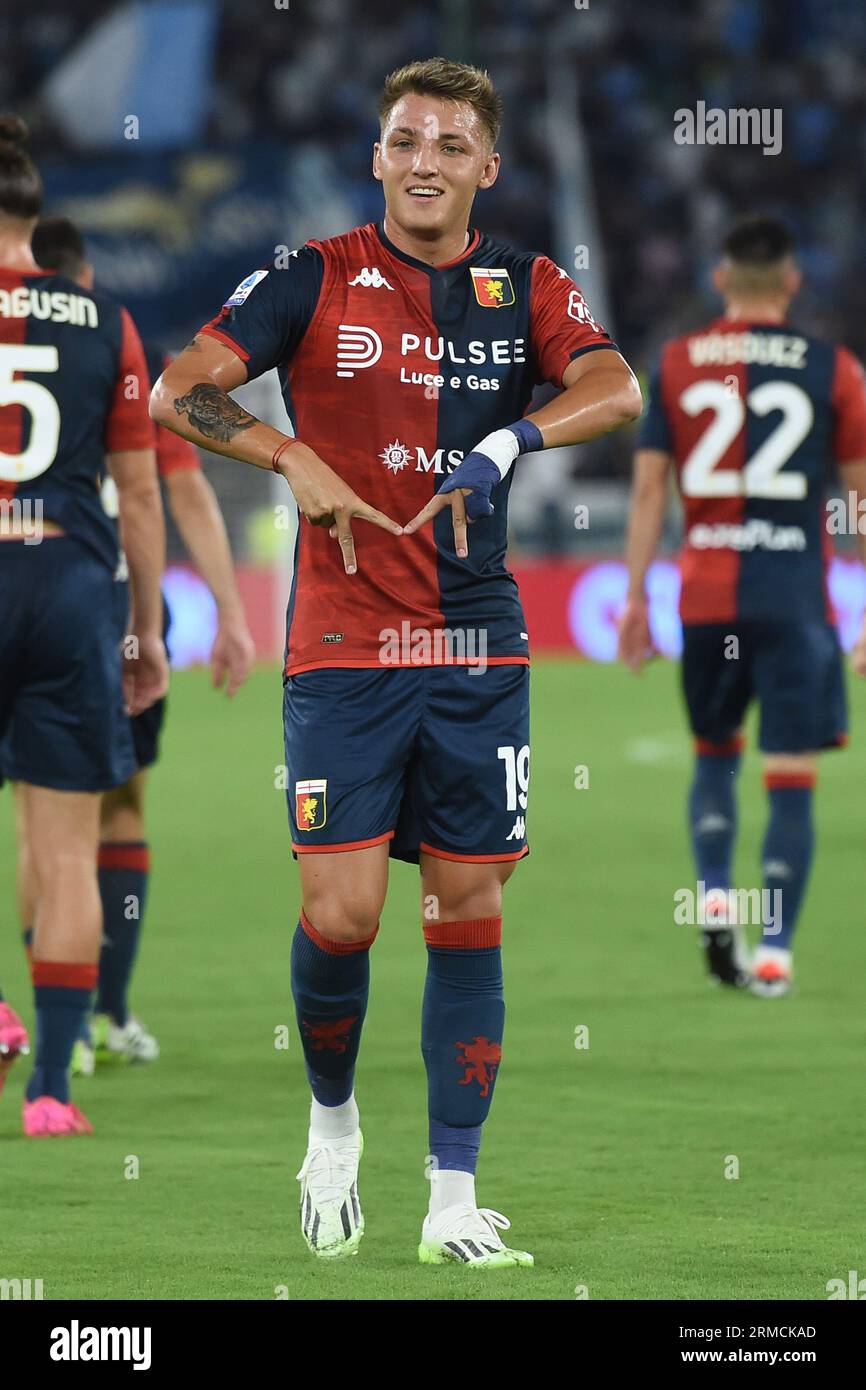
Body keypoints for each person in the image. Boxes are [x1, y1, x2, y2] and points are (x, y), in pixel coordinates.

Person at [152, 57, 641, 1266]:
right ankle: (330, 1129)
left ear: (486, 164)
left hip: (477, 640)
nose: (424, 159)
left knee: (464, 907)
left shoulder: (525, 283)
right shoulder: (312, 275)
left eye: (449, 142)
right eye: (404, 139)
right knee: (346, 909)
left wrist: (511, 441)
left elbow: (616, 388)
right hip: (343, 640)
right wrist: (284, 453)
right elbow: (178, 389)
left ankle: (452, 1197)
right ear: (376, 157)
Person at [10, 216, 256, 1073]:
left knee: (42, 830)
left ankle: (63, 1028)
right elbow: (174, 496)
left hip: (42, 593)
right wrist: (226, 609)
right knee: (103, 816)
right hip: (105, 609)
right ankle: (100, 1017)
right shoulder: (116, 350)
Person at [619, 216, 866, 998]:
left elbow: (651, 489)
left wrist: (632, 598)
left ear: (720, 280)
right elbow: (860, 498)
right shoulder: (834, 369)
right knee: (789, 774)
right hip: (795, 599)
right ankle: (776, 954)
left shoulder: (679, 363)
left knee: (715, 758)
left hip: (707, 598)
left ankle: (718, 894)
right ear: (791, 283)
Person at [0, 117, 167, 1136]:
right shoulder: (107, 319)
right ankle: (53, 1089)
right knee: (67, 853)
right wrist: (143, 628)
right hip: (67, 582)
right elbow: (140, 499)